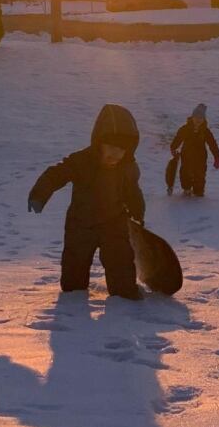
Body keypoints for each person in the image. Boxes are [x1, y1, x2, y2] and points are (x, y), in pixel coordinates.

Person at [28, 104, 144, 300]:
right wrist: (40, 194)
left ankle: (124, 292)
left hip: (114, 222)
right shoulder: (82, 161)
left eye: (121, 150)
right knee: (76, 261)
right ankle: (73, 297)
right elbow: (56, 174)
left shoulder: (127, 168)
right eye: (111, 148)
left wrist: (137, 213)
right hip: (81, 222)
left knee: (120, 260)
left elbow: (133, 192)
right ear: (99, 142)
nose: (115, 155)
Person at [169, 103, 219, 198]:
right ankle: (186, 189)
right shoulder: (185, 129)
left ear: (204, 119)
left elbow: (213, 144)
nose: (198, 120)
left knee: (200, 175)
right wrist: (173, 148)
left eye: (200, 118)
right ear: (192, 117)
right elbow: (177, 139)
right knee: (185, 173)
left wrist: (217, 157)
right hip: (187, 155)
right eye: (196, 117)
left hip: (201, 157)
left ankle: (198, 192)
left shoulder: (205, 131)